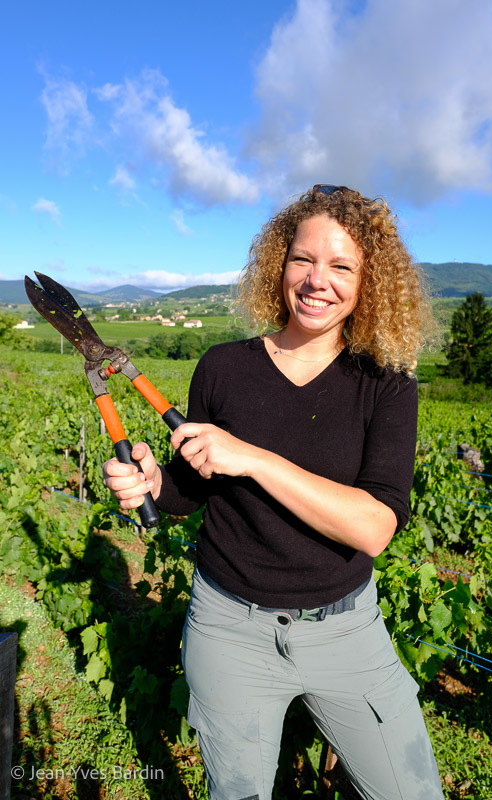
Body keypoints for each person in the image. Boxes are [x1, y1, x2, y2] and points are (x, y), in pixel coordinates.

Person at [103, 185, 444, 800]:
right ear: (277, 265)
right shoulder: (223, 368)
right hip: (228, 629)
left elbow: (373, 526)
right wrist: (155, 481)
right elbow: (193, 486)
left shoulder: (386, 385)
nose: (318, 280)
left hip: (347, 633)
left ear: (371, 283)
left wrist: (254, 458)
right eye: (303, 260)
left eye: (342, 266)